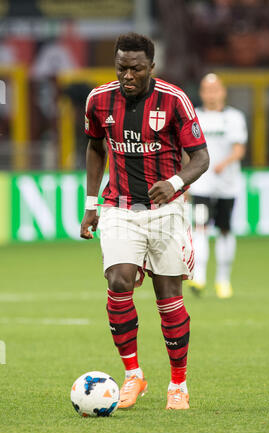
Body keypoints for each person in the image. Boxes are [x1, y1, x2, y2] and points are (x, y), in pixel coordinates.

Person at [80, 33, 209, 410]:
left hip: (166, 212)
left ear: (151, 66)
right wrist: (91, 204)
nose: (128, 76)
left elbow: (200, 158)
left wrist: (174, 182)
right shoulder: (98, 99)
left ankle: (178, 383)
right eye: (121, 68)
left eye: (136, 69)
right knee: (118, 279)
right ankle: (133, 375)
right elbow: (95, 145)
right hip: (119, 207)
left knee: (167, 295)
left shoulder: (174, 100)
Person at [187, 73, 247, 299]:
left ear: (222, 91)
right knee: (200, 228)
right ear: (202, 93)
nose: (211, 94)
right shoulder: (195, 118)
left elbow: (239, 149)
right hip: (202, 186)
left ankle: (223, 280)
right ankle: (199, 277)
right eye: (206, 90)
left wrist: (224, 163)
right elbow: (187, 151)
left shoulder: (234, 118)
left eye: (215, 89)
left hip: (227, 186)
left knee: (224, 230)